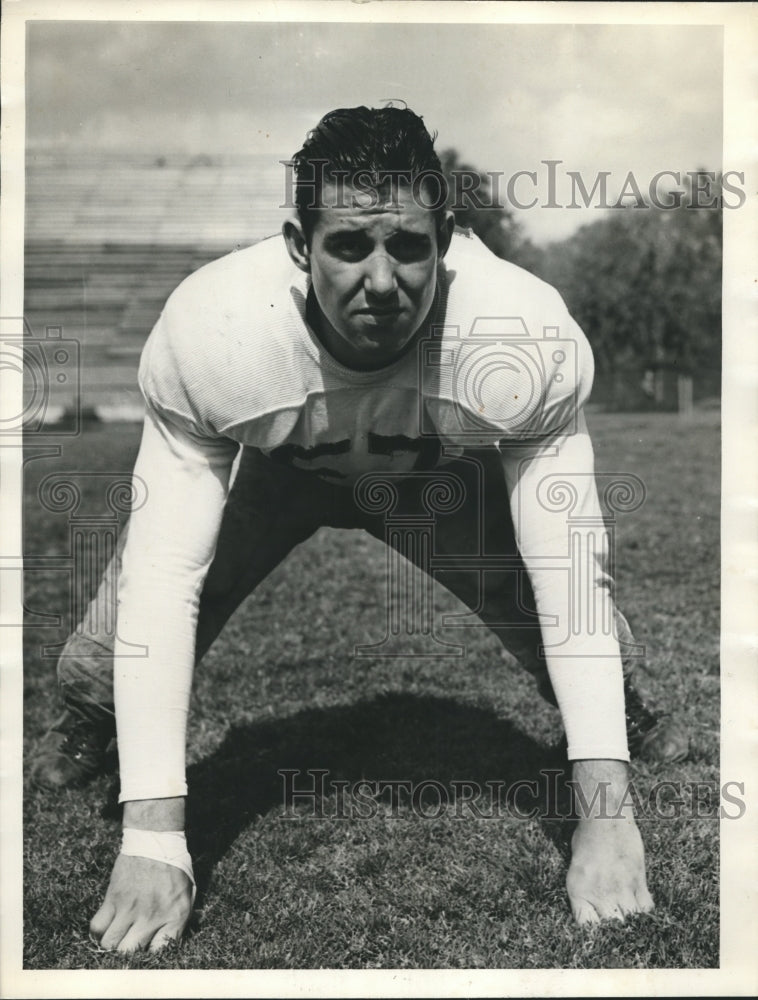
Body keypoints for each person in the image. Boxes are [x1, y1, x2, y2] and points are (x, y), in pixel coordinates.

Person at [31, 105, 687, 953]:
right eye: (349, 246)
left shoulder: (519, 333)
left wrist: (605, 819)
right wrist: (154, 838)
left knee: (540, 604)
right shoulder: (216, 331)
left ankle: (623, 715)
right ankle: (88, 716)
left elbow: (572, 575)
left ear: (447, 238)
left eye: (408, 245)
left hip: (427, 481)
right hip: (279, 474)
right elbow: (164, 576)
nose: (381, 281)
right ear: (298, 247)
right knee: (111, 638)